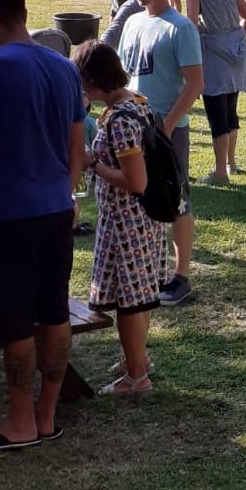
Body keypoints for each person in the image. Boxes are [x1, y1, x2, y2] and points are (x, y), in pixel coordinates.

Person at [0, 0, 84, 451]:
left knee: (15, 322)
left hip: (9, 214)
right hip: (56, 208)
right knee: (53, 312)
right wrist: (64, 192)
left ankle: (20, 422)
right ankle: (45, 416)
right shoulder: (64, 67)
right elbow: (77, 148)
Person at [73, 41, 164, 397]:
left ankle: (136, 377)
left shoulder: (120, 120)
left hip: (127, 223)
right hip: (140, 220)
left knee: (129, 302)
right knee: (139, 295)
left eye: (81, 81)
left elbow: (135, 181)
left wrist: (93, 163)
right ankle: (136, 359)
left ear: (94, 80)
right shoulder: (136, 101)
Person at [116, 0, 202, 307]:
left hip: (168, 131)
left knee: (175, 200)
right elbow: (125, 77)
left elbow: (195, 84)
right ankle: (151, 267)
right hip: (133, 128)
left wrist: (165, 126)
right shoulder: (133, 22)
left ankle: (181, 276)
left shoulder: (180, 28)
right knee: (140, 199)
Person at [184, 0, 246, 185]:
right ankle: (231, 162)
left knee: (217, 114)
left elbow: (191, 24)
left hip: (213, 56)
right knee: (231, 109)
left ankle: (220, 172)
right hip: (235, 54)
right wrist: (237, 35)